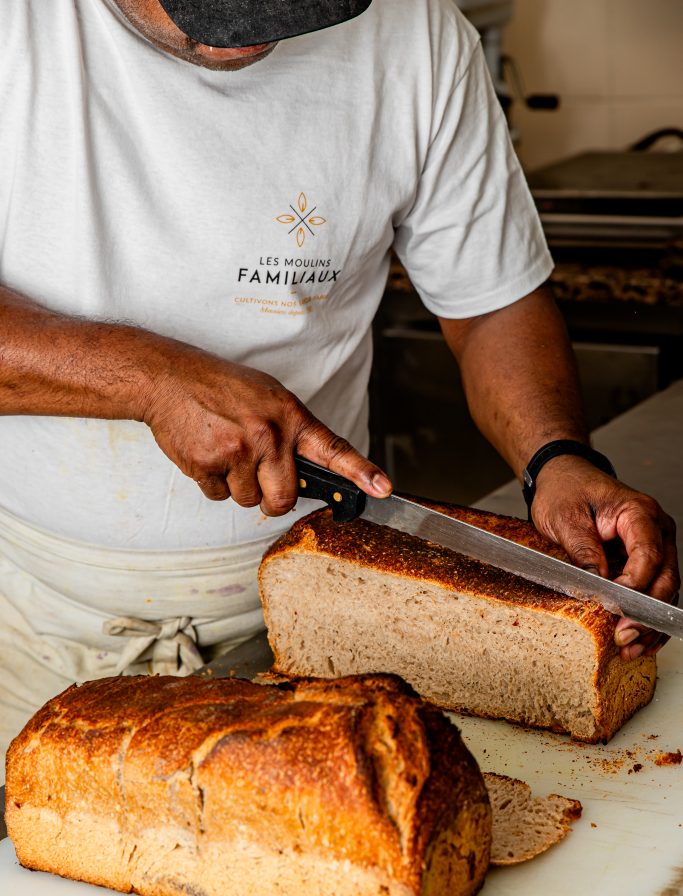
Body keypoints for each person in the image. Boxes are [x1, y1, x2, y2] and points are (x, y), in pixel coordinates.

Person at [0, 0, 678, 776]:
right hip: (36, 622)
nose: (250, 32)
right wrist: (148, 378)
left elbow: (490, 301)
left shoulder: (417, 35)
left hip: (323, 609)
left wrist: (553, 457)